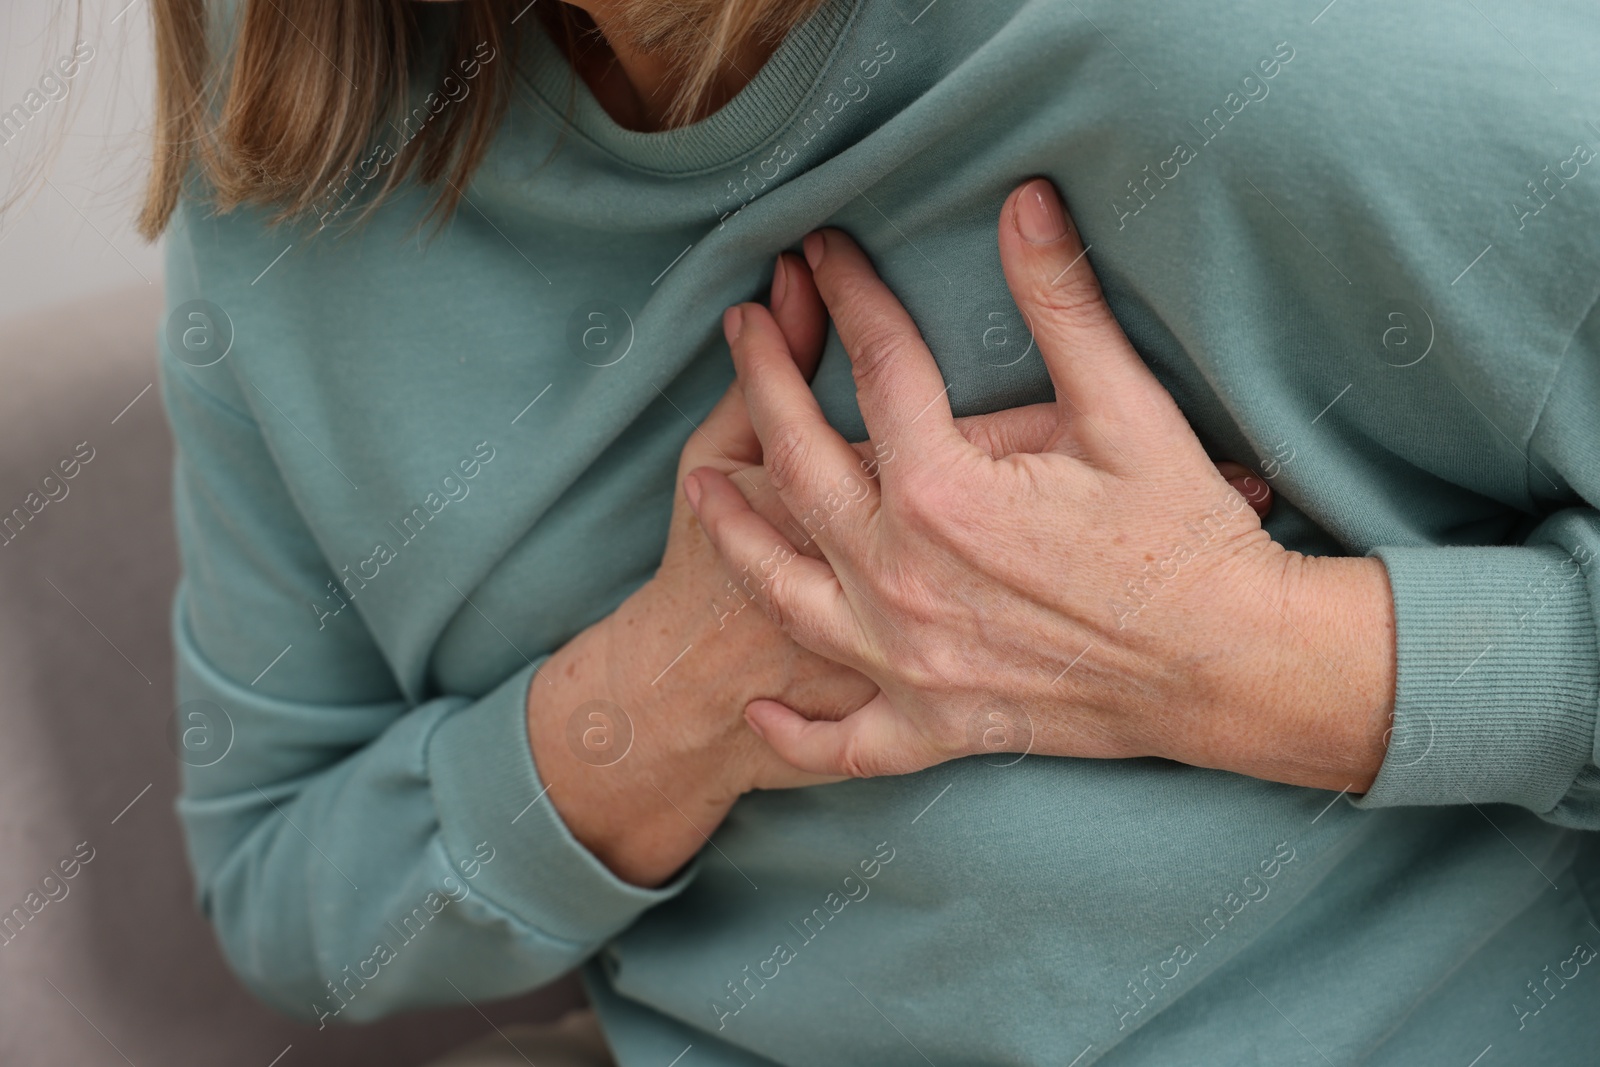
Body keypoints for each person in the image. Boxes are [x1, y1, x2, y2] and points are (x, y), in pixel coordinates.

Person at [144, 0, 1600, 1063]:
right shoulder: (288, 161)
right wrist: (673, 695)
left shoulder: (1291, 61)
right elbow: (282, 870)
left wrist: (1250, 663)